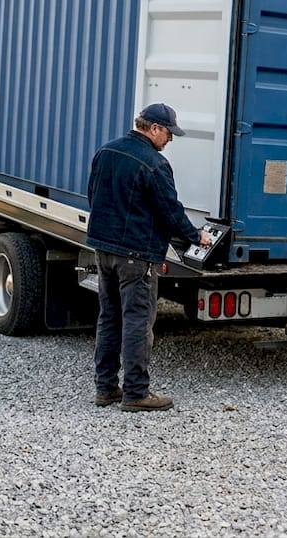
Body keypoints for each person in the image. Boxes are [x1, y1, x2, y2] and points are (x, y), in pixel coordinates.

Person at [86, 103, 211, 412]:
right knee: (138, 322)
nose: (170, 140)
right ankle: (136, 393)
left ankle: (106, 389)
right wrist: (197, 236)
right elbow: (170, 211)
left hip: (104, 249)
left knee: (109, 318)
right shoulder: (154, 164)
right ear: (154, 128)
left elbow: (93, 196)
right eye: (169, 133)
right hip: (136, 255)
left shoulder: (106, 151)